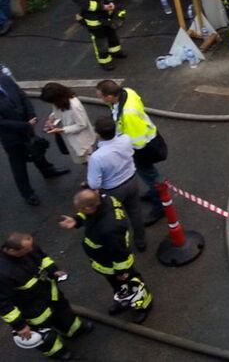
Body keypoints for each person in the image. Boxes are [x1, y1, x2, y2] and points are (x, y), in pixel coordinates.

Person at [59, 190, 153, 324]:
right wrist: (77, 220)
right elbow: (91, 216)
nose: (79, 211)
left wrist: (122, 272)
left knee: (132, 285)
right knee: (119, 286)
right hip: (106, 262)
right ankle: (123, 298)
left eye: (81, 209)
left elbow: (119, 253)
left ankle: (142, 305)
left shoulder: (109, 228)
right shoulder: (104, 200)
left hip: (115, 264)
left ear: (89, 207)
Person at [0, 232, 92, 360]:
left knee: (65, 314)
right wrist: (20, 326)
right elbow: (3, 304)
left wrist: (54, 270)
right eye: (26, 250)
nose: (31, 250)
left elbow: (43, 258)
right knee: (45, 335)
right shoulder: (3, 273)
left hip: (50, 294)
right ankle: (57, 352)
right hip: (32, 308)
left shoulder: (29, 247)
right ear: (11, 250)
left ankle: (74, 330)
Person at [96, 80, 166, 226]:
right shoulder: (126, 92)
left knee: (150, 176)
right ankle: (154, 194)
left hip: (143, 149)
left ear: (109, 96)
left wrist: (125, 153)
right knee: (149, 175)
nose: (100, 99)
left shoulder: (128, 115)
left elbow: (138, 143)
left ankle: (160, 205)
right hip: (147, 138)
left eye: (101, 96)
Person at [0, 70, 68, 206]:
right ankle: (27, 193)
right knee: (18, 163)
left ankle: (48, 171)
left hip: (27, 126)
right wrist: (25, 125)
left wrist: (31, 116)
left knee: (35, 148)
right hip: (11, 135)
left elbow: (23, 97)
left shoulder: (5, 80)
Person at [87, 117, 146, 252]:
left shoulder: (97, 157)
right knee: (135, 212)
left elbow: (94, 183)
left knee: (115, 218)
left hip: (113, 190)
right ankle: (141, 241)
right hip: (131, 181)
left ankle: (121, 245)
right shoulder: (126, 139)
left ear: (98, 134)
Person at [39, 82, 95, 166]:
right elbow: (58, 111)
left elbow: (82, 124)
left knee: (89, 160)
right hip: (71, 138)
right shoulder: (61, 102)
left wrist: (62, 130)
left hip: (80, 140)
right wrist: (52, 118)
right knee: (85, 159)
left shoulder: (75, 106)